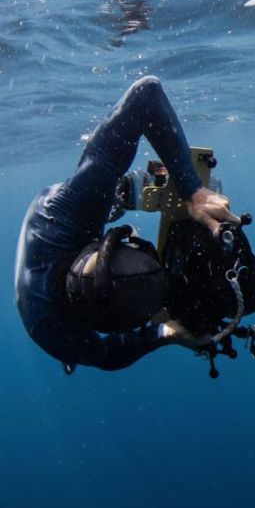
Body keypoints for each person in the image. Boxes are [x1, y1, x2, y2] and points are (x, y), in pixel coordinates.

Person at [15, 76, 240, 372]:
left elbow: (146, 92)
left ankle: (120, 189)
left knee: (109, 189)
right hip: (55, 296)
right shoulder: (56, 335)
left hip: (63, 219)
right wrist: (164, 334)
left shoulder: (73, 212)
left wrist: (192, 192)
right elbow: (106, 356)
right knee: (73, 352)